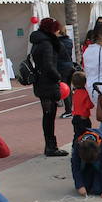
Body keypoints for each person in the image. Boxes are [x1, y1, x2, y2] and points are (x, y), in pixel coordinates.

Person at [30, 18, 67, 156]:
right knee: (49, 116)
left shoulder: (37, 41)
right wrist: (58, 77)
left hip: (41, 83)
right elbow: (48, 65)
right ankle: (51, 147)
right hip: (48, 84)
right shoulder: (46, 43)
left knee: (48, 116)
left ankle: (50, 145)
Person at [71, 129, 102, 198]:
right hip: (87, 166)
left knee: (97, 190)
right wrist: (79, 185)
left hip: (100, 166)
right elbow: (75, 166)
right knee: (86, 188)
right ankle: (90, 175)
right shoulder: (78, 145)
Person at [57, 27, 75, 119]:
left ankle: (68, 110)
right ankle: (69, 109)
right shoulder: (69, 41)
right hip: (69, 66)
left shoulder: (57, 43)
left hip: (61, 67)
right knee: (68, 88)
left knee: (64, 89)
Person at [70, 71, 93, 141]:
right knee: (86, 135)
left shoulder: (75, 92)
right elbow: (89, 105)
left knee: (77, 134)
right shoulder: (85, 93)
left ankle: (75, 148)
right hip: (84, 118)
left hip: (75, 116)